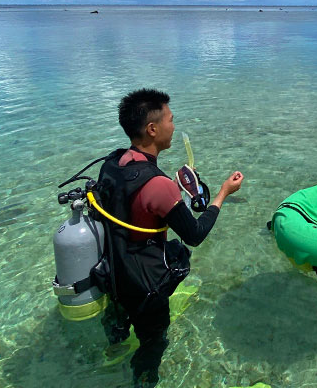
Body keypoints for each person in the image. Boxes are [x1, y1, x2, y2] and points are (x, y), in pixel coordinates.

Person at [96, 88, 243, 388]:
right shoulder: (160, 186)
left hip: (111, 274)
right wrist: (223, 193)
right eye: (170, 120)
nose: (173, 126)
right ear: (152, 129)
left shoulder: (111, 164)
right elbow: (195, 235)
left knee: (117, 326)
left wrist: (172, 188)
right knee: (152, 344)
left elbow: (133, 207)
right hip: (144, 287)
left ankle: (113, 350)